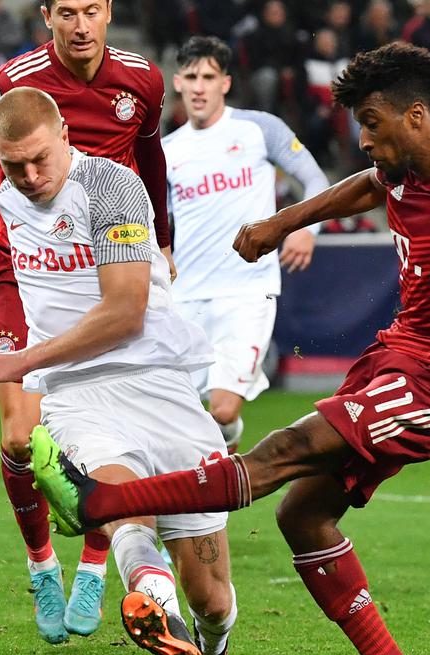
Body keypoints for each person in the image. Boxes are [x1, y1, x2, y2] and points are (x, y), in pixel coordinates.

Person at [31, 42, 430, 655]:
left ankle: (96, 502)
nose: (363, 140)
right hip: (394, 358)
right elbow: (366, 186)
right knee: (302, 514)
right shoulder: (400, 169)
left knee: (284, 450)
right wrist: (280, 223)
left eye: (371, 122)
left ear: (415, 116)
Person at [0, 87, 236, 655]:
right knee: (122, 504)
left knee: (212, 595)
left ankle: (211, 643)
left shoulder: (111, 188)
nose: (28, 176)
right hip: (77, 395)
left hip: (161, 383)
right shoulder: (5, 197)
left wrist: (22, 359)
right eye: (13, 164)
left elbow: (126, 312)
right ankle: (155, 608)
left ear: (66, 139)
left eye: (39, 160)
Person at [0, 0, 173, 647]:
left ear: (109, 12)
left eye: (91, 9)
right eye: (67, 11)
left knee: (105, 435)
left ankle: (93, 565)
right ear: (46, 16)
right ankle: (41, 565)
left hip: (101, 278)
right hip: (21, 272)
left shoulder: (141, 79)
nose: (80, 24)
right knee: (17, 440)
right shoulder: (9, 85)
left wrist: (163, 242)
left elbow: (151, 162)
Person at [162, 36, 330, 454]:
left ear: (226, 83)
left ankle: (223, 459)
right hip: (186, 296)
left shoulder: (259, 129)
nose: (199, 87)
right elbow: (155, 224)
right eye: (191, 78)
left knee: (220, 410)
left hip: (247, 293)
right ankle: (203, 497)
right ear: (177, 83)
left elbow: (315, 182)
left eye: (208, 77)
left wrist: (307, 229)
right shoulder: (165, 151)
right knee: (179, 417)